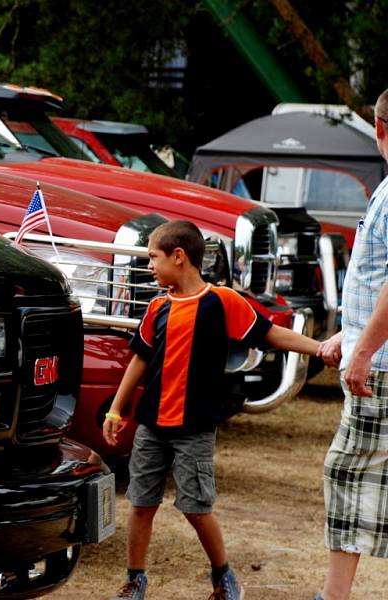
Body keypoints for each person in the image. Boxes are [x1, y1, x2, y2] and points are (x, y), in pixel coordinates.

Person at [103, 220, 323, 600]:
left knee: (196, 507)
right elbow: (139, 360)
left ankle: (223, 577)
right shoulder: (157, 307)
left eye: (153, 258)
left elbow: (270, 334)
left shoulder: (222, 301)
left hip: (195, 427)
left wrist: (319, 349)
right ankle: (134, 581)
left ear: (179, 256)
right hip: (151, 425)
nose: (150, 266)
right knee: (140, 503)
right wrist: (116, 409)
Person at [312, 89, 388, 600]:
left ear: (380, 129)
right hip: (377, 349)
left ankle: (333, 598)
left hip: (381, 365)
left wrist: (363, 351)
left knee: (347, 472)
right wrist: (351, 332)